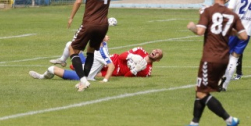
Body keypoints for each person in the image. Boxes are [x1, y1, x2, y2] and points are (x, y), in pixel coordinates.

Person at [178, 0, 249, 126]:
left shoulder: (208, 11)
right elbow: (243, 36)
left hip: (210, 58)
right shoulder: (232, 15)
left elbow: (200, 31)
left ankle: (230, 120)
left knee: (203, 93)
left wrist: (191, 27)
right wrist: (230, 32)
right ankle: (194, 124)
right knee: (200, 90)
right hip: (224, 59)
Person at [67, 0, 114, 92]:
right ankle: (84, 83)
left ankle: (82, 80)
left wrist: (71, 17)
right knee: (91, 50)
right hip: (103, 25)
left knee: (72, 49)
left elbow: (78, 1)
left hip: (89, 23)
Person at [30, 44, 163, 82]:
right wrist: (132, 56)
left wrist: (135, 70)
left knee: (75, 66)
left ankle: (46, 74)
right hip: (100, 65)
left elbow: (124, 75)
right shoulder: (139, 50)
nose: (156, 51)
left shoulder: (147, 71)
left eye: (158, 53)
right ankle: (63, 60)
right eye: (156, 50)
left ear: (157, 60)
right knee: (71, 47)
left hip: (97, 71)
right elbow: (118, 59)